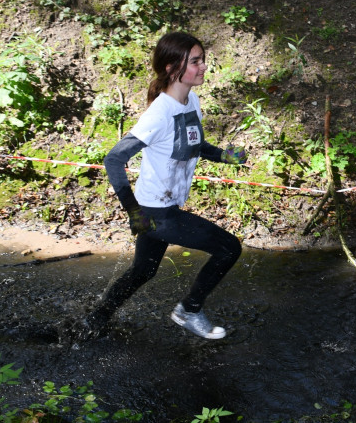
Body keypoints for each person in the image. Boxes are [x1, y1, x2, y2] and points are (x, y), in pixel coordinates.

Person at [77, 32, 247, 341]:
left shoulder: (190, 100)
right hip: (155, 212)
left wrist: (225, 156)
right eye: (195, 61)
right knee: (229, 248)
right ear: (171, 68)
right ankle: (189, 310)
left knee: (143, 271)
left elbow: (194, 144)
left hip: (163, 205)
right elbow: (114, 159)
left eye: (202, 60)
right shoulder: (158, 114)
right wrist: (134, 212)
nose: (203, 66)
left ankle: (93, 322)